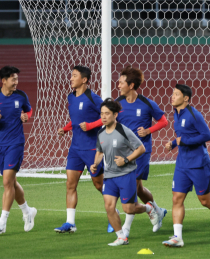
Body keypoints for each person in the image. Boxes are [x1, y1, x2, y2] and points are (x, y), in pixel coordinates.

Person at [163, 84, 210, 247]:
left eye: (177, 94)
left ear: (186, 98)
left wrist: (184, 141)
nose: (172, 96)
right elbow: (183, 136)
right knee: (176, 198)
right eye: (173, 93)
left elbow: (207, 135)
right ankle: (177, 237)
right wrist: (173, 143)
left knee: (205, 200)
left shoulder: (194, 115)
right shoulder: (176, 113)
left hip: (198, 163)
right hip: (182, 164)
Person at [90, 99, 160, 246]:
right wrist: (95, 164)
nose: (103, 117)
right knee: (109, 206)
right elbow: (99, 152)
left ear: (115, 115)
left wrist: (126, 160)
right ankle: (121, 237)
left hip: (126, 174)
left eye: (107, 114)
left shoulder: (123, 131)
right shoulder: (101, 133)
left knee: (129, 208)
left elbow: (141, 148)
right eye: (102, 114)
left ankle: (148, 208)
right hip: (109, 176)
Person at [0, 66, 37, 234]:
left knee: (6, 182)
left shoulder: (21, 95)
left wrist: (27, 116)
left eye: (17, 79)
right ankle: (27, 211)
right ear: (4, 81)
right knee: (10, 182)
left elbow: (29, 110)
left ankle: (2, 222)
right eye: (13, 79)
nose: (16, 82)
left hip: (16, 143)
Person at [115, 66, 168, 233]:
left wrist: (148, 131)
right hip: (123, 152)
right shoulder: (117, 104)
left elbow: (163, 121)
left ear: (131, 85)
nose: (118, 85)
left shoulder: (147, 103)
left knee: (132, 185)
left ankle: (126, 228)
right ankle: (157, 211)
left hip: (141, 151)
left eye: (121, 82)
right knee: (138, 189)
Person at [55, 66, 105, 233]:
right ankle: (70, 223)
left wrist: (91, 125)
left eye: (74, 76)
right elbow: (76, 119)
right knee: (70, 184)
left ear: (84, 80)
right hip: (75, 149)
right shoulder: (70, 97)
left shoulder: (93, 98)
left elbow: (108, 116)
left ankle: (114, 213)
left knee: (99, 185)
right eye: (71, 75)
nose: (71, 78)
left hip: (92, 149)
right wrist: (66, 128)